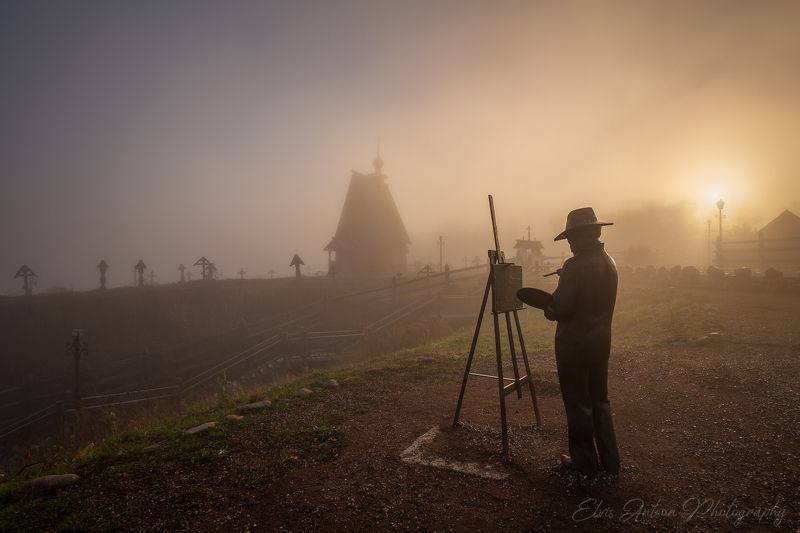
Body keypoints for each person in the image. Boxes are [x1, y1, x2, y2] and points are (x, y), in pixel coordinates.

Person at [544, 207, 620, 478]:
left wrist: (549, 307)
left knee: (578, 403)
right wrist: (567, 278)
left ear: (579, 236)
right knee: (600, 400)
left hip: (574, 345)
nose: (570, 244)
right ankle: (611, 461)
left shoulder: (573, 266)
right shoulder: (609, 262)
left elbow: (561, 308)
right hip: (600, 341)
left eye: (570, 238)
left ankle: (584, 462)